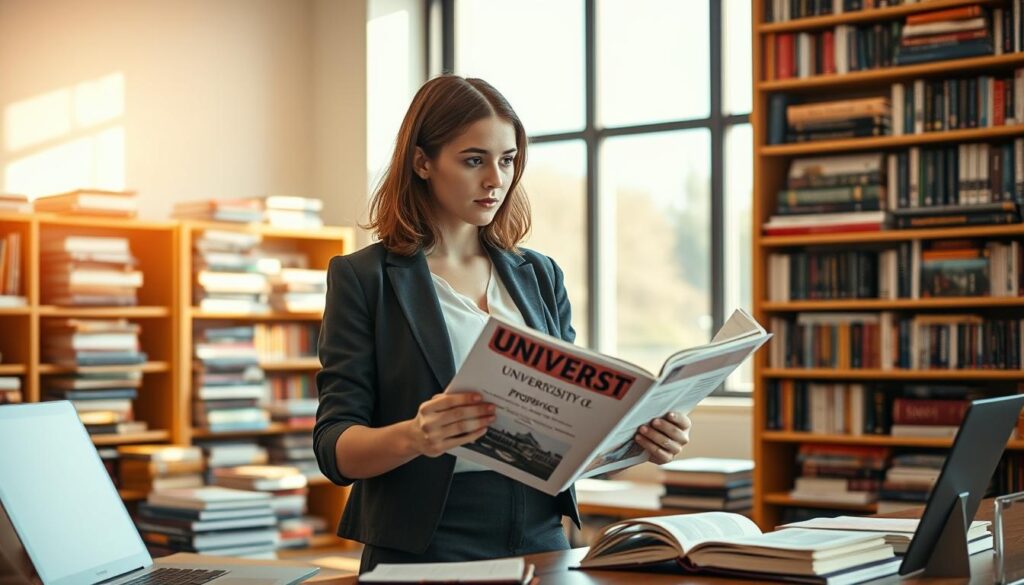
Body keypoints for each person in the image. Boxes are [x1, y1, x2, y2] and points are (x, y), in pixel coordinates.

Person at [314, 74, 692, 572]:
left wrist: (636, 439)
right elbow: (334, 448)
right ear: (422, 162)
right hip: (422, 542)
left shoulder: (539, 275)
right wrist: (414, 436)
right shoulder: (364, 279)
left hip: (540, 531)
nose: (497, 179)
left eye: (508, 160)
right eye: (474, 160)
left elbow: (571, 420)